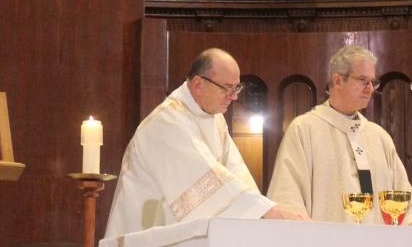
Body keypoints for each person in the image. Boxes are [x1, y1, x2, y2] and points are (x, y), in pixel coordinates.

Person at [104, 48, 307, 237]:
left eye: (237, 88)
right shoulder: (167, 122)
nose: (234, 97)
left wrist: (261, 213)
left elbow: (236, 176)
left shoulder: (215, 120)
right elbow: (207, 183)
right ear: (198, 84)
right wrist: (266, 210)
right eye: (227, 88)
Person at [267, 45, 412, 225]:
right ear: (337, 81)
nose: (370, 89)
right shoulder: (304, 130)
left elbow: (404, 201)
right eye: (362, 80)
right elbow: (288, 200)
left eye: (373, 82)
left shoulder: (379, 137)